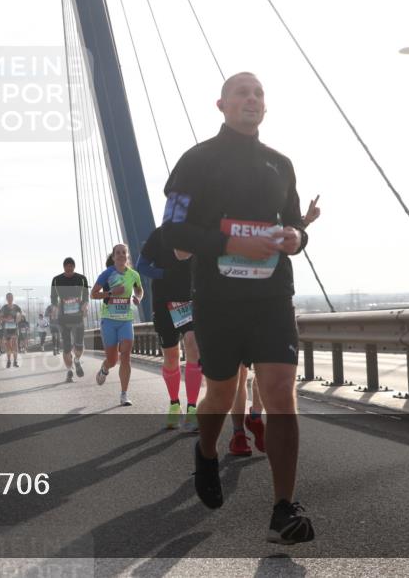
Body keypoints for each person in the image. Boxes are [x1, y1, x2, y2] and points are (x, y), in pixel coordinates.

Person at [161, 71, 314, 544]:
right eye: (241, 93)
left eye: (258, 93)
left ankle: (284, 509)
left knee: (280, 392)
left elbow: (294, 224)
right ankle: (207, 451)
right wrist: (230, 243)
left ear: (265, 106)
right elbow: (173, 231)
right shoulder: (195, 161)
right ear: (222, 105)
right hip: (218, 299)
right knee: (222, 393)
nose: (252, 99)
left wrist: (297, 237)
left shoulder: (281, 164)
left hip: (272, 297)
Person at [229, 194, 321, 455]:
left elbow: (285, 233)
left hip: (271, 296)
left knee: (267, 370)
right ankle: (238, 433)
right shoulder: (225, 195)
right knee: (239, 375)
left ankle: (255, 416)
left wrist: (304, 223)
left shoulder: (273, 188)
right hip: (233, 298)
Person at [136, 224, 201, 431]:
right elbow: (141, 266)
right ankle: (174, 404)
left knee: (192, 345)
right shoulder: (159, 235)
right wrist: (163, 273)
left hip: (189, 301)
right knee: (171, 356)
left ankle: (192, 408)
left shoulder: (196, 231)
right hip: (164, 302)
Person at [92, 245, 143, 406]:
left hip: (126, 320)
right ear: (113, 257)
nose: (121, 255)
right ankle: (104, 369)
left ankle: (124, 394)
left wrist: (138, 298)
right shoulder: (107, 274)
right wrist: (111, 293)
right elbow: (93, 294)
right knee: (113, 360)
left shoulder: (134, 275)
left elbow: (139, 290)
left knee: (126, 356)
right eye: (118, 253)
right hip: (109, 320)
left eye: (124, 252)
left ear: (127, 256)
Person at [50, 257, 89, 382]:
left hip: (78, 317)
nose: (69, 270)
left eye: (71, 268)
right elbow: (53, 297)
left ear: (74, 267)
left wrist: (85, 305)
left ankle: (76, 360)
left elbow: (86, 296)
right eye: (67, 268)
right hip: (63, 319)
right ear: (64, 267)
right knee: (66, 346)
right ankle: (69, 371)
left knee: (79, 346)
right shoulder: (56, 280)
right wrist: (54, 308)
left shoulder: (81, 278)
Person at [0, 292, 24, 368]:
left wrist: (18, 318)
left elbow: (21, 315)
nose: (10, 299)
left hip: (14, 328)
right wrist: (6, 319)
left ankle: (15, 361)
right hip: (6, 329)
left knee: (15, 344)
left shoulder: (16, 307)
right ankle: (9, 361)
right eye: (8, 297)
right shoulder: (4, 308)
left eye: (11, 297)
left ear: (13, 298)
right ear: (6, 299)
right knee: (8, 345)